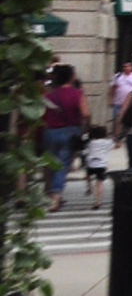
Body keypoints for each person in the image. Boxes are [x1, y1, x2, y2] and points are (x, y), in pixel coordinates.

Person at [42, 65, 88, 211]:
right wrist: (84, 129)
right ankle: (56, 198)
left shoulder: (49, 94)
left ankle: (50, 194)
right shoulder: (77, 93)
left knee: (50, 163)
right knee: (63, 165)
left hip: (50, 131)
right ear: (70, 76)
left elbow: (41, 114)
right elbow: (85, 113)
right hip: (70, 131)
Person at [83, 126, 114, 209]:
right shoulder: (107, 142)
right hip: (101, 165)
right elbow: (115, 145)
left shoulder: (90, 142)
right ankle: (98, 201)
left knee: (88, 176)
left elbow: (84, 148)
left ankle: (89, 187)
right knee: (99, 183)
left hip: (91, 164)